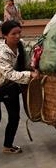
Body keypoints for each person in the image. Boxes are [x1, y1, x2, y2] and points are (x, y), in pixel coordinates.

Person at [0, 20, 39, 154]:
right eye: (13, 34)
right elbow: (9, 73)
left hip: (10, 87)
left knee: (14, 117)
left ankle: (7, 146)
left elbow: (27, 63)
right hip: (3, 84)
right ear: (4, 35)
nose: (17, 36)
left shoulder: (20, 45)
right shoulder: (2, 53)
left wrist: (35, 69)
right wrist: (29, 74)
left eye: (19, 33)